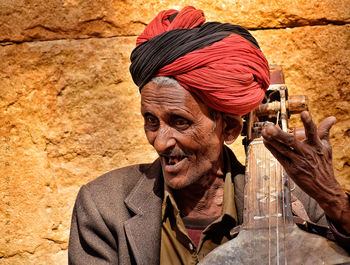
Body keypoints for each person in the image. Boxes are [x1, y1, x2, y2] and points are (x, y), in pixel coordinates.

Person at [68, 6, 350, 265]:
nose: (160, 141)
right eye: (151, 121)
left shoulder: (301, 200)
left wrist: (333, 199)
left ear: (228, 128)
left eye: (180, 122)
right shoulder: (104, 206)